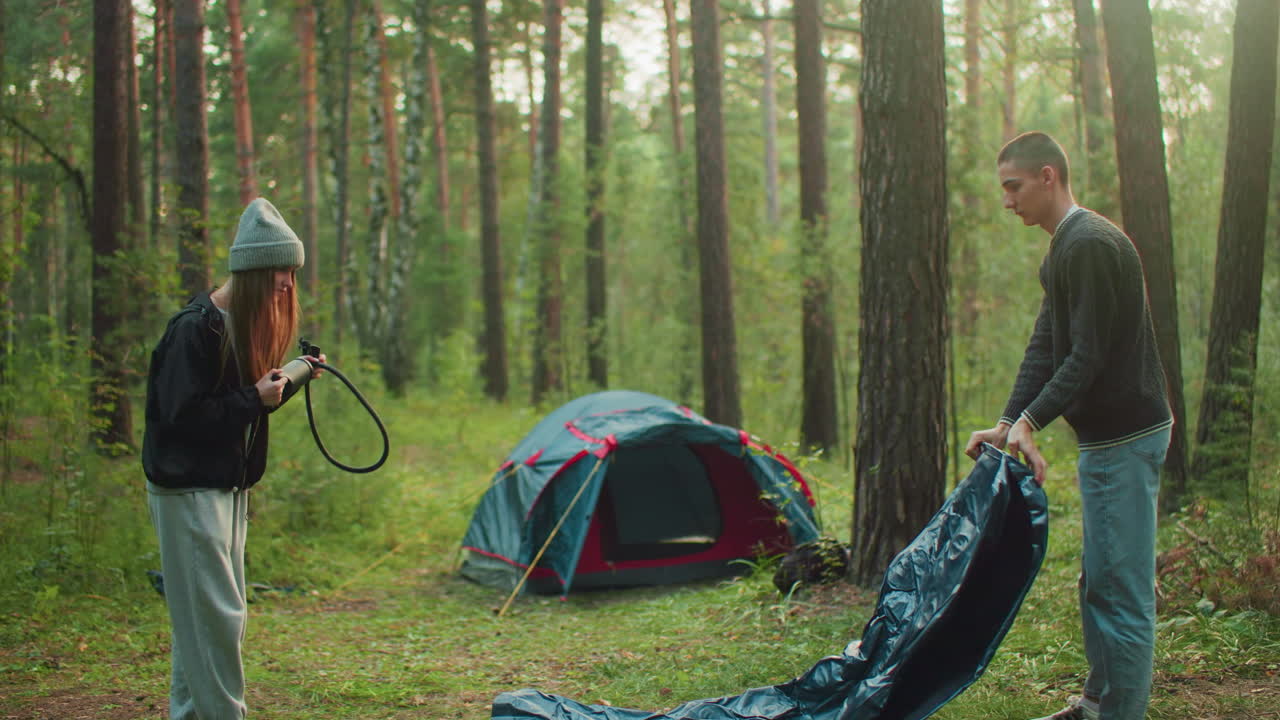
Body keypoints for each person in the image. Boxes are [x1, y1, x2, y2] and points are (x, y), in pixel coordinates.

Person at [965, 131, 1173, 720]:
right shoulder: (1063, 249)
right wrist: (1009, 422)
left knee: (1121, 591)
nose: (1007, 201)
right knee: (1099, 580)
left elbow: (1088, 355)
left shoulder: (1089, 245)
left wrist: (1036, 419)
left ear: (1049, 176)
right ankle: (1096, 702)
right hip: (1108, 439)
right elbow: (1047, 343)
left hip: (1127, 438)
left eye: (1014, 186)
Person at [142, 197, 324, 720]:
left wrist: (297, 373)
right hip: (188, 491)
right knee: (217, 618)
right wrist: (254, 398)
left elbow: (241, 405)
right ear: (253, 271)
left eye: (292, 271)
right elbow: (183, 417)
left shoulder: (237, 327)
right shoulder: (194, 329)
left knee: (203, 619)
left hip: (225, 489)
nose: (289, 283)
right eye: (281, 271)